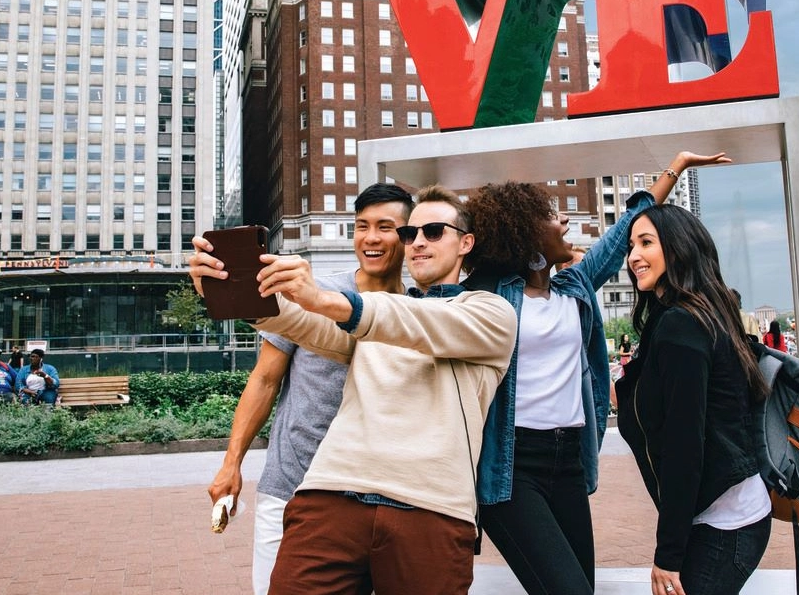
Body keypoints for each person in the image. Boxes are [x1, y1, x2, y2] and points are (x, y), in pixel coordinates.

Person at [459, 152, 723, 595]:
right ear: (525, 234)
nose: (563, 221)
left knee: (582, 585)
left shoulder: (575, 286)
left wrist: (676, 167)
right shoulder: (487, 296)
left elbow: (625, 231)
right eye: (550, 216)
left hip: (569, 462)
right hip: (512, 465)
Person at [245, 186, 518, 594]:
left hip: (430, 508)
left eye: (434, 231)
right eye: (410, 234)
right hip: (331, 496)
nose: (418, 242)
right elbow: (308, 325)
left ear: (466, 243)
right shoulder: (372, 317)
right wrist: (238, 291)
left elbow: (417, 322)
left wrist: (324, 298)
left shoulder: (490, 312)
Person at [194, 183, 412, 595]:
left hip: (374, 494)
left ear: (407, 235)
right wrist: (231, 462)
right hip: (292, 483)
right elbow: (264, 379)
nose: (370, 238)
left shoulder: (417, 308)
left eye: (386, 227)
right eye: (361, 226)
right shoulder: (313, 291)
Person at [617, 204, 771, 595]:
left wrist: (668, 553)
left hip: (723, 522)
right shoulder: (696, 314)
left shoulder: (682, 324)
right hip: (730, 512)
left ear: (678, 246)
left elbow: (685, 444)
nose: (634, 256)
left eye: (646, 243)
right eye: (632, 245)